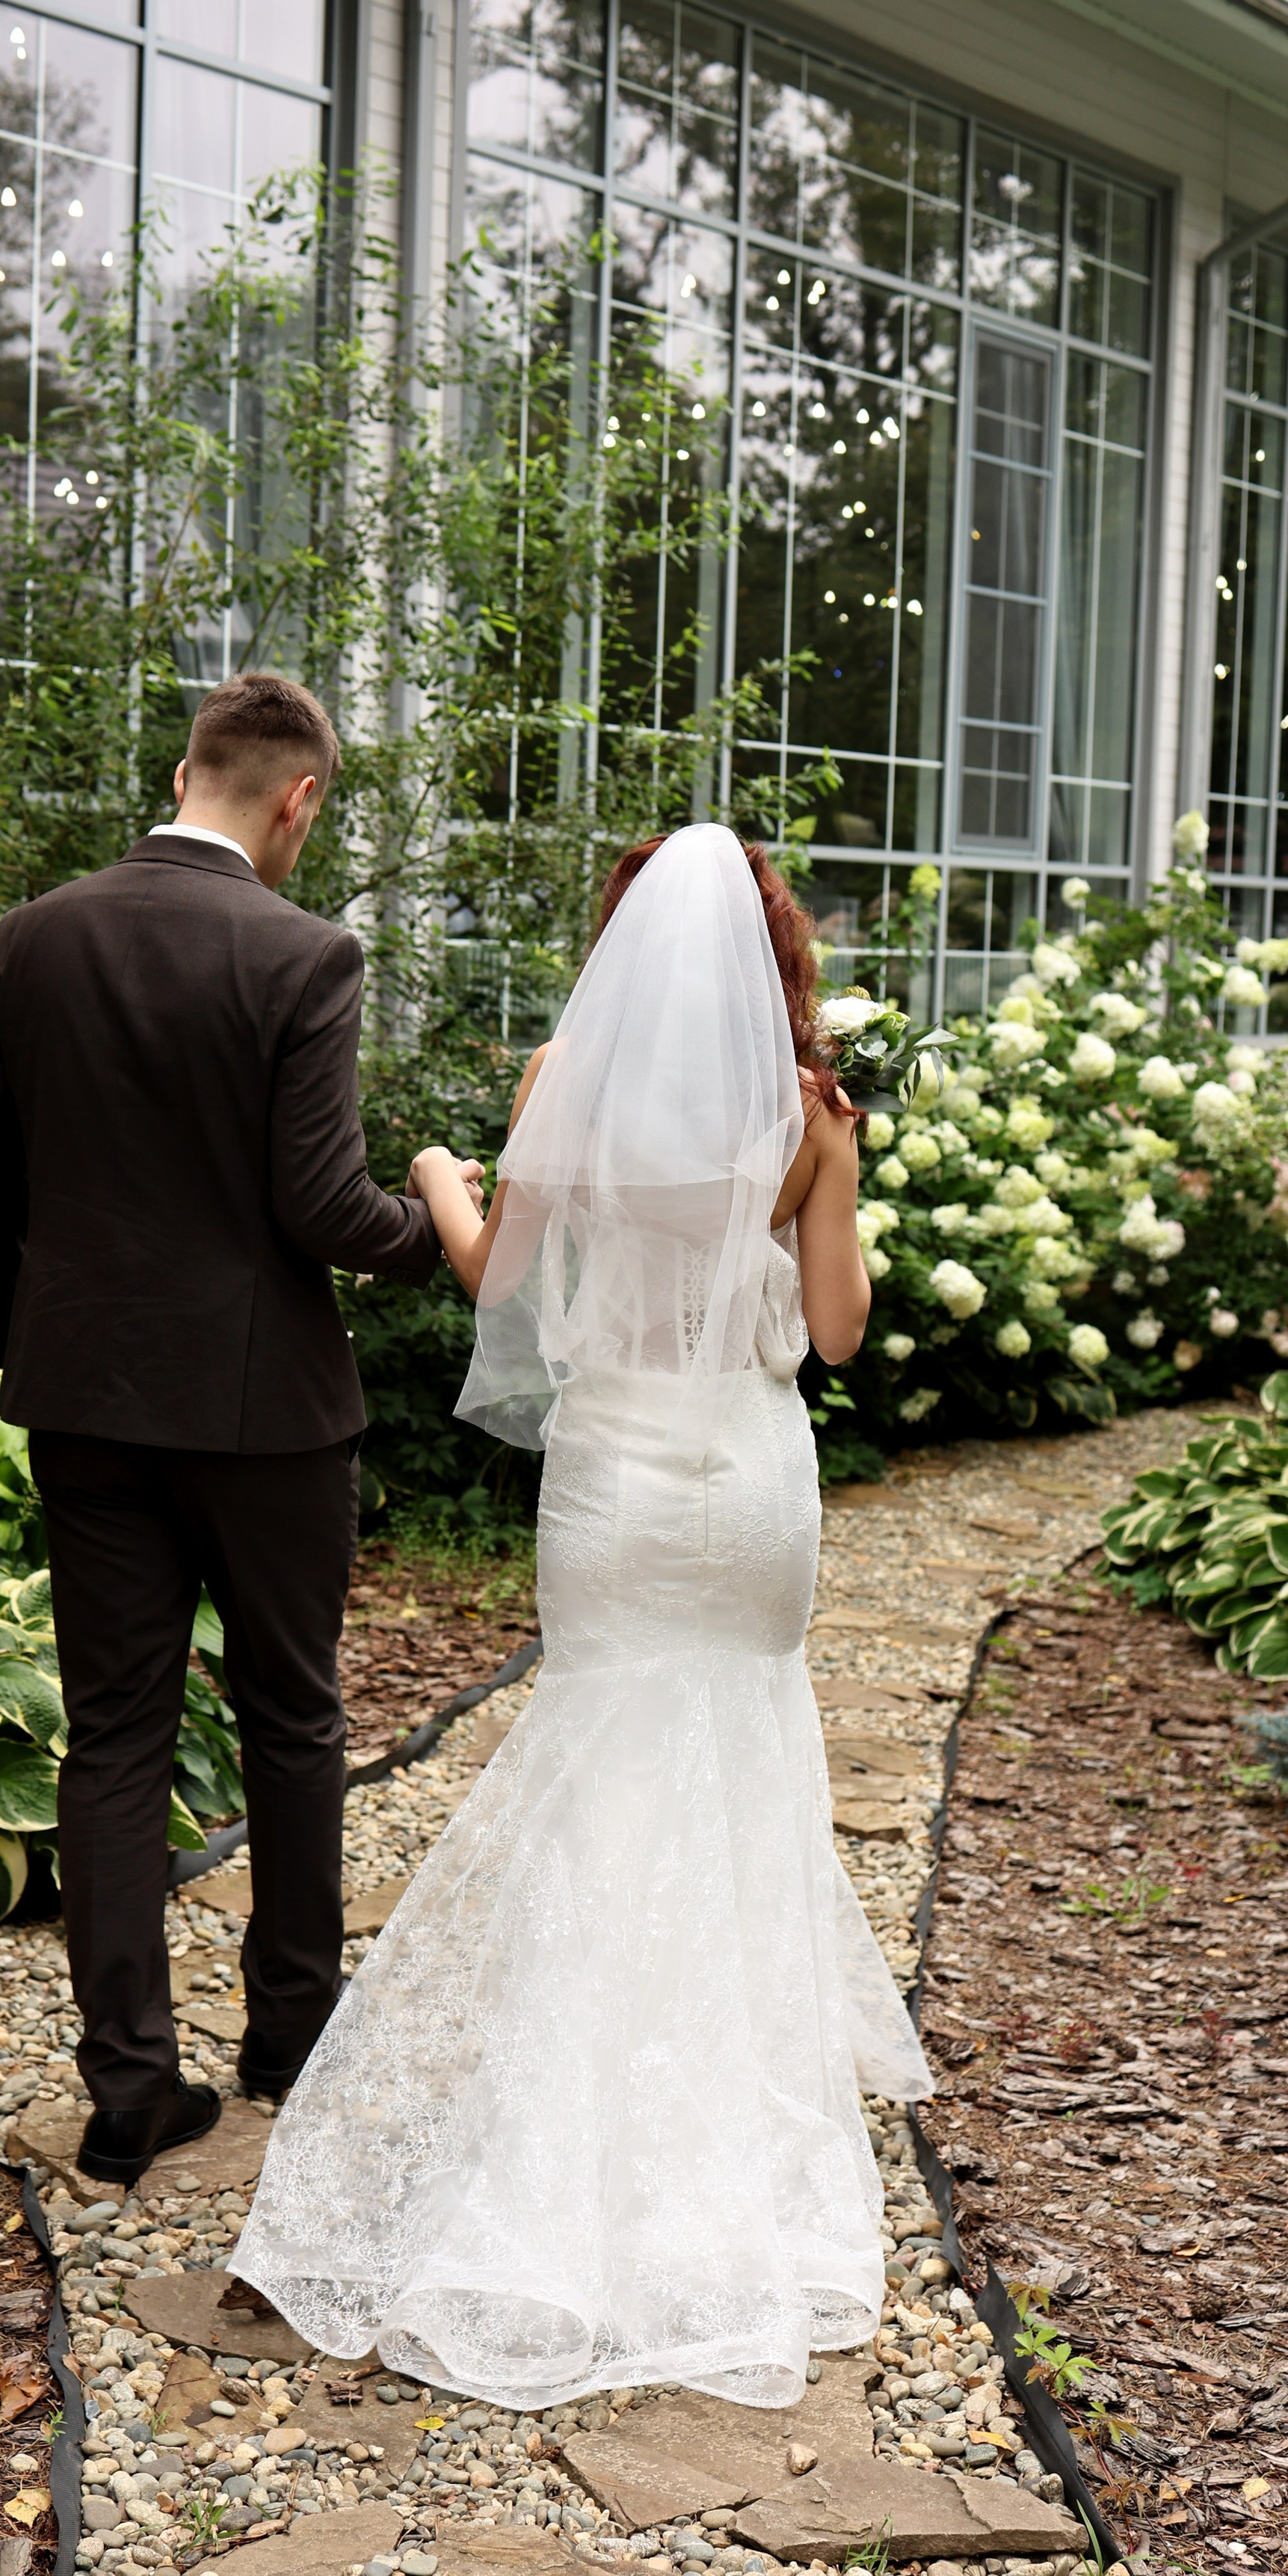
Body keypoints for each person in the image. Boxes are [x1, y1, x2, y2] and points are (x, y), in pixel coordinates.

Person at [229, 823, 933, 2409]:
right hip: (749, 1488)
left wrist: (430, 1182)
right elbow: (831, 1335)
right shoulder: (809, 1116)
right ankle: (720, 2147)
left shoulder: (567, 1081)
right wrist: (832, 1190)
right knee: (743, 1774)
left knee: (602, 1784)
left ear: (624, 953)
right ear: (773, 957)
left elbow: (499, 1290)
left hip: (614, 1490)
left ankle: (565, 2146)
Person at [0, 669, 457, 2184]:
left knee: (112, 1733)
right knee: (289, 1716)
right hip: (264, 1417)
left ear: (186, 772)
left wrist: (37, 1346)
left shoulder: (37, 936)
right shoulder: (302, 954)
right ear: (295, 796)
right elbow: (318, 1203)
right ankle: (290, 2035)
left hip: (85, 1401)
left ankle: (127, 2087)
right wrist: (434, 1224)